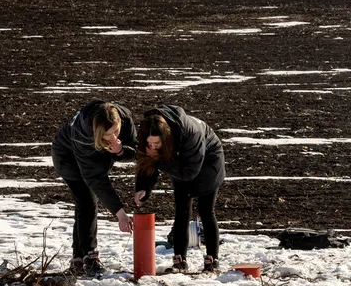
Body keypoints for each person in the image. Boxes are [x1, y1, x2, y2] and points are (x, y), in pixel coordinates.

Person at [133, 105, 225, 274]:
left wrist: (159, 162)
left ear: (166, 138)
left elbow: (189, 172)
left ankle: (212, 259)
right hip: (180, 162)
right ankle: (179, 259)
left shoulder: (191, 134)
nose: (152, 147)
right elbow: (147, 160)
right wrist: (143, 188)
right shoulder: (148, 130)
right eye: (149, 143)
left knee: (206, 210)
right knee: (181, 211)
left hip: (209, 161)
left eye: (157, 143)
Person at [51, 100, 136, 276]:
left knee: (84, 204)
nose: (113, 137)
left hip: (95, 154)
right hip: (67, 158)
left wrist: (120, 150)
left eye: (116, 131)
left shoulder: (124, 118)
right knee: (86, 200)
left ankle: (79, 257)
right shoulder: (82, 135)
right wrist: (120, 214)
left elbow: (136, 150)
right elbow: (96, 179)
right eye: (108, 135)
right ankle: (88, 256)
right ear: (98, 133)